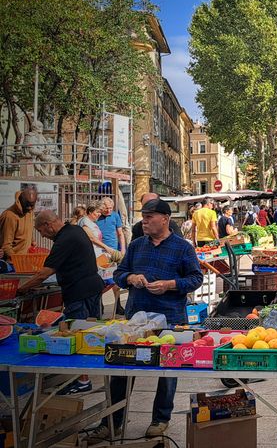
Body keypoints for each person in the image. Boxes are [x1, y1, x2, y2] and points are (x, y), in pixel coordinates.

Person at [89, 199, 203, 442]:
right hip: (136, 319)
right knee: (121, 370)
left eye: (150, 216)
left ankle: (160, 419)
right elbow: (119, 274)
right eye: (144, 216)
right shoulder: (137, 245)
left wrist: (170, 285)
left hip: (170, 319)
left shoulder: (183, 248)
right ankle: (112, 422)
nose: (145, 220)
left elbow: (195, 279)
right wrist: (131, 278)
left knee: (167, 371)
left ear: (165, 218)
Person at [20, 210, 106, 396]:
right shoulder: (75, 230)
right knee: (91, 333)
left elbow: (45, 272)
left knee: (76, 335)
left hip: (79, 292)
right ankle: (91, 374)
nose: (42, 235)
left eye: (40, 231)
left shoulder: (64, 240)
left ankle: (82, 380)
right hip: (91, 287)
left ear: (48, 225)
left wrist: (22, 288)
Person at [0, 186, 38, 256]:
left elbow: (27, 230)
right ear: (20, 200)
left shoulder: (29, 212)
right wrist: (16, 261)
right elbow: (6, 246)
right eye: (27, 204)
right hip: (12, 262)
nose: (29, 208)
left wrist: (32, 241)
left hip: (25, 259)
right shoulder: (9, 216)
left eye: (32, 205)